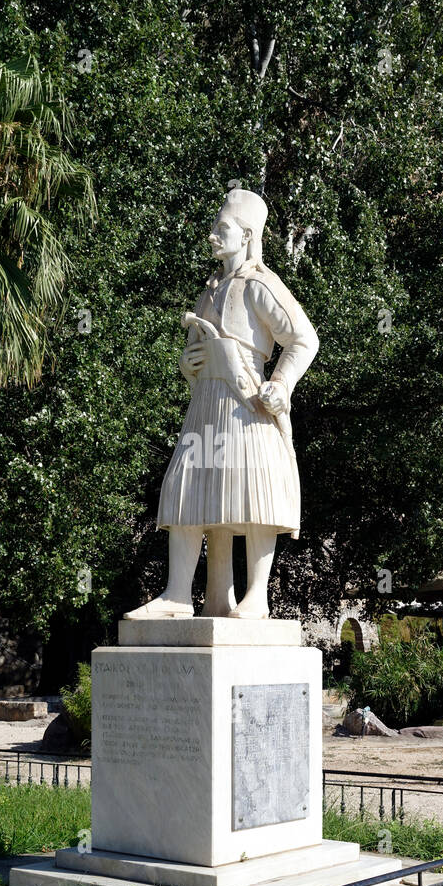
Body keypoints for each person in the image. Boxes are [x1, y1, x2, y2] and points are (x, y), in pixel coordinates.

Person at [125, 187, 318, 620]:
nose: (213, 235)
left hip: (246, 400)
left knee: (252, 495)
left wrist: (282, 385)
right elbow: (196, 350)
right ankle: (179, 594)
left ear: (247, 235)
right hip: (207, 402)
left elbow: (304, 339)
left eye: (222, 227)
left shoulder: (261, 284)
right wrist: (187, 363)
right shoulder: (209, 290)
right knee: (188, 493)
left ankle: (257, 597)